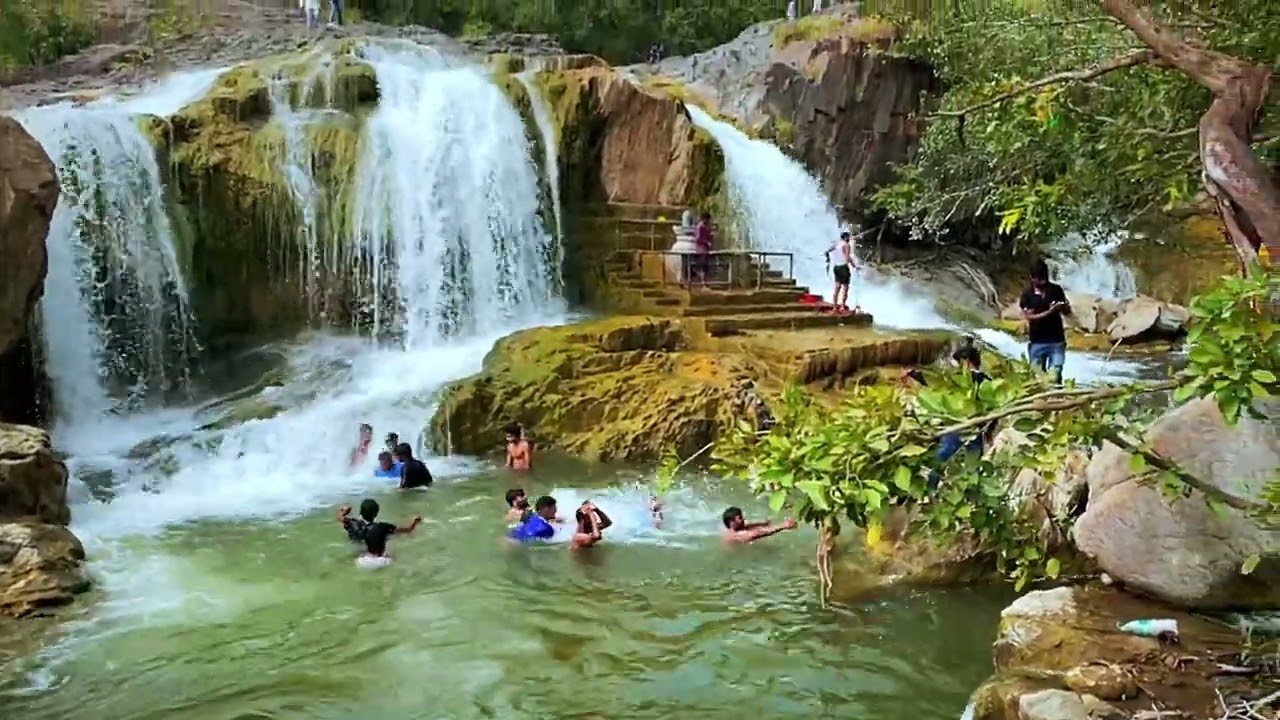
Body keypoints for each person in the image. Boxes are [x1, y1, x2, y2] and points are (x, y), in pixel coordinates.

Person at [1019, 259, 1071, 385]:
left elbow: (1067, 312)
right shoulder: (1028, 294)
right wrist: (1050, 311)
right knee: (1038, 377)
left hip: (1057, 340)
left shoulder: (1056, 290)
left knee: (1056, 373)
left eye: (1044, 278)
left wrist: (1063, 307)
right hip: (1037, 341)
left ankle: (1057, 399)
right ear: (1032, 278)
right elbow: (1029, 317)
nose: (1043, 282)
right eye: (1039, 279)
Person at [337, 499, 421, 568]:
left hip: (358, 551)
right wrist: (414, 522)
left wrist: (344, 511)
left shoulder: (351, 523)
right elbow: (408, 530)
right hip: (375, 554)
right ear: (376, 514)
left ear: (361, 513)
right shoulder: (382, 527)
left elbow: (340, 517)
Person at [721, 507, 797, 544]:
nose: (743, 519)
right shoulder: (738, 535)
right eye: (740, 518)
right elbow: (756, 533)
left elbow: (747, 526)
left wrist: (763, 524)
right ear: (732, 522)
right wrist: (783, 526)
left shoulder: (730, 529)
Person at [826, 230, 857, 314]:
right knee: (845, 287)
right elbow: (847, 256)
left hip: (836, 267)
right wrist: (851, 266)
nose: (849, 239)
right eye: (848, 237)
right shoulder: (846, 245)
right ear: (846, 237)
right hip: (843, 267)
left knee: (837, 287)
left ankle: (835, 307)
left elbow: (829, 250)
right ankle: (842, 306)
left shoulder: (836, 244)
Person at [692, 211, 713, 285]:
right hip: (701, 249)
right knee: (702, 266)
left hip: (705, 249)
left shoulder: (706, 226)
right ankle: (702, 282)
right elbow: (697, 238)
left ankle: (704, 281)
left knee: (705, 266)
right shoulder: (700, 227)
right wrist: (706, 242)